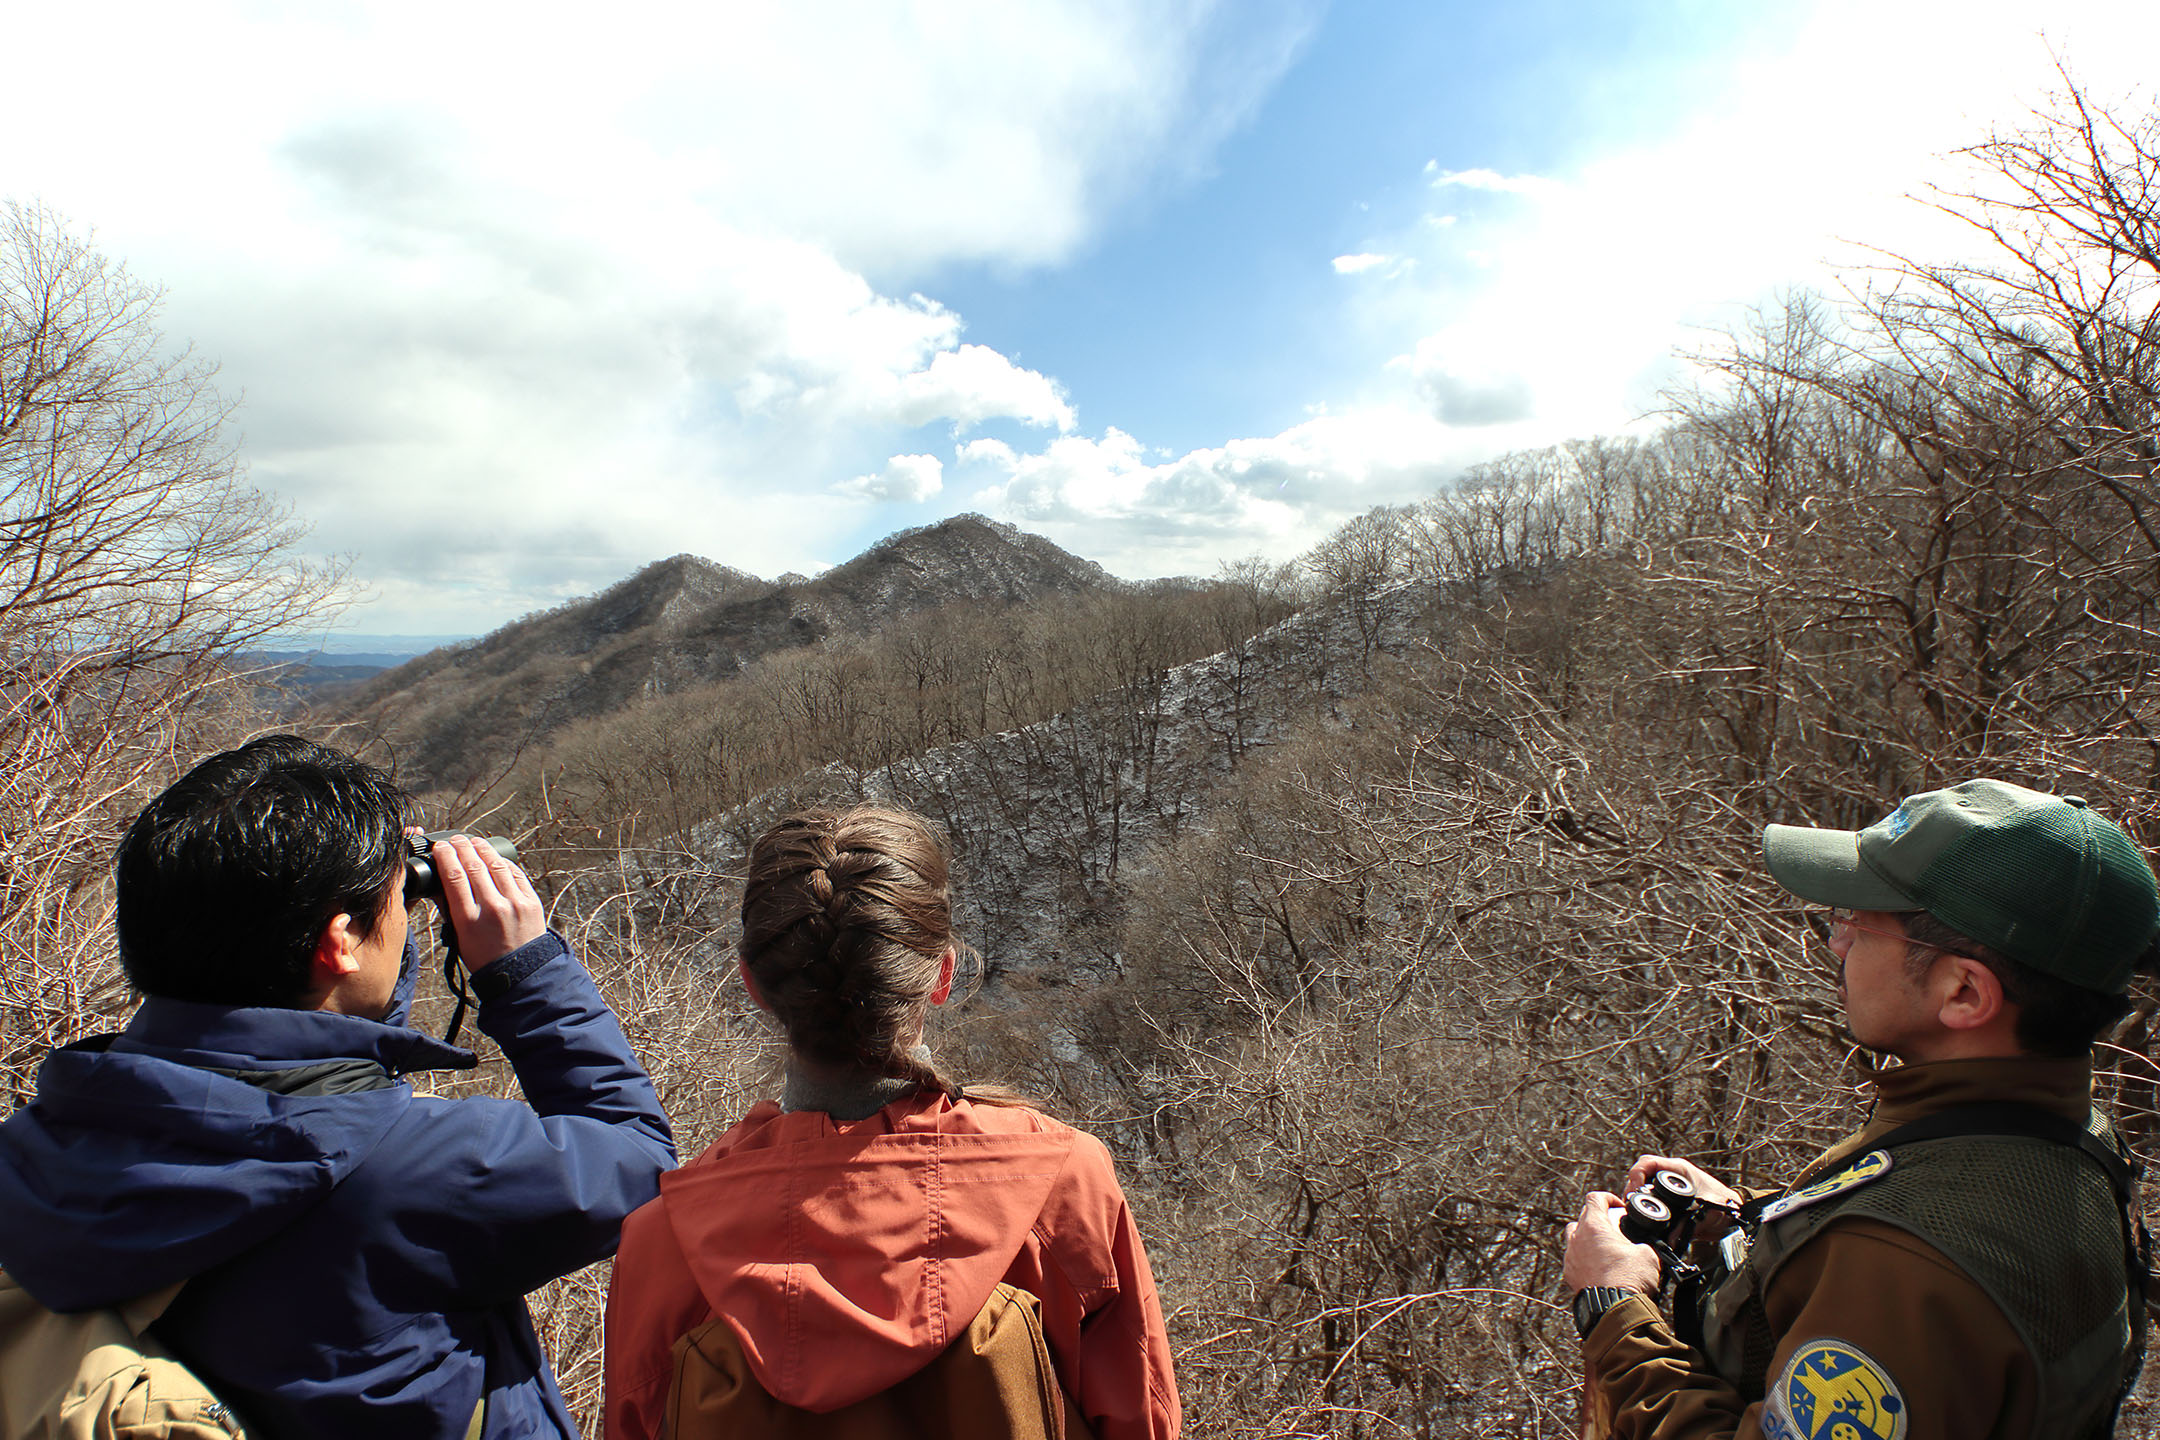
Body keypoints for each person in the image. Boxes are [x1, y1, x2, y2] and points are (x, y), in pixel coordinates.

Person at [0, 734, 677, 1438]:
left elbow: (319, 1064)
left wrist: (364, 940)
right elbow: (637, 1159)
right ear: (339, 942)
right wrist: (526, 971)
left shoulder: (40, 1145)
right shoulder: (426, 1168)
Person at [1562, 779, 2155, 1440]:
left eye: (1858, 922)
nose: (1837, 943)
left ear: (1963, 992)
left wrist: (1614, 1308)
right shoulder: (2066, 1136)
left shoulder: (1907, 1266)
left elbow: (1914, 1261)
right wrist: (1751, 1214)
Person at [602, 804, 1180, 1440]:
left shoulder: (664, 1240)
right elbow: (1142, 1419)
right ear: (943, 974)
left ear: (754, 987)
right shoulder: (1060, 1183)